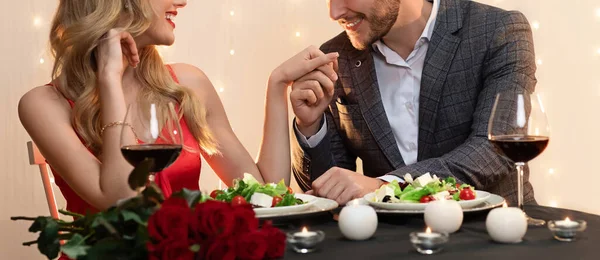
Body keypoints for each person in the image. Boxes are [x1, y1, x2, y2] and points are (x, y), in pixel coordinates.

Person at [18, 0, 338, 215]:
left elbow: (267, 194)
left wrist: (277, 86)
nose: (182, 0)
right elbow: (121, 203)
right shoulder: (43, 105)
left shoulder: (186, 84)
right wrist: (110, 83)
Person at [290, 0, 537, 206]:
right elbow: (327, 193)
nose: (334, 13)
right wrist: (310, 126)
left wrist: (388, 186)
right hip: (386, 242)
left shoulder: (498, 31)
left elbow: (495, 149)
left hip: (491, 232)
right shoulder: (336, 55)